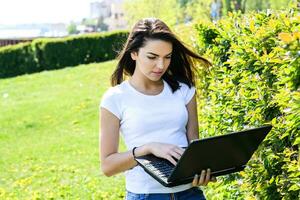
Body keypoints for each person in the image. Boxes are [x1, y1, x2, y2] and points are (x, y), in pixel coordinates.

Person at [100, 18, 216, 200]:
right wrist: (147, 149)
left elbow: (194, 146)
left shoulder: (184, 90)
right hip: (146, 195)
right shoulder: (115, 98)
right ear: (134, 53)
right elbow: (108, 166)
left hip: (189, 194)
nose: (161, 65)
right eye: (152, 57)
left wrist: (200, 170)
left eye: (167, 57)